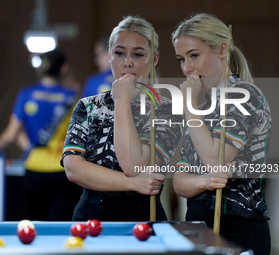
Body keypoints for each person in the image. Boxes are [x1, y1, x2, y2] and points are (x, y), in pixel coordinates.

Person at [61, 16, 183, 221]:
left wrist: (122, 102)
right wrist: (133, 183)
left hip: (144, 215)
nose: (127, 63)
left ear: (154, 59)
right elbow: (73, 169)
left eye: (138, 54)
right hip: (89, 217)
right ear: (109, 55)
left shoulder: (168, 110)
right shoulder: (87, 106)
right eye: (119, 53)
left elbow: (132, 165)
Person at [172, 13, 271, 254]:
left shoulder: (245, 95)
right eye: (181, 59)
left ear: (222, 49)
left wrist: (188, 108)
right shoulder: (200, 104)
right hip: (197, 226)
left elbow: (214, 160)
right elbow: (179, 182)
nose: (188, 68)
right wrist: (204, 181)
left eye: (194, 55)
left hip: (239, 227)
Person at [0, 48, 82, 221]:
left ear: (41, 69)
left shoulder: (26, 94)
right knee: (59, 229)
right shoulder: (73, 97)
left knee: (33, 228)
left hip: (34, 170)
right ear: (63, 68)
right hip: (63, 171)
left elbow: (12, 134)